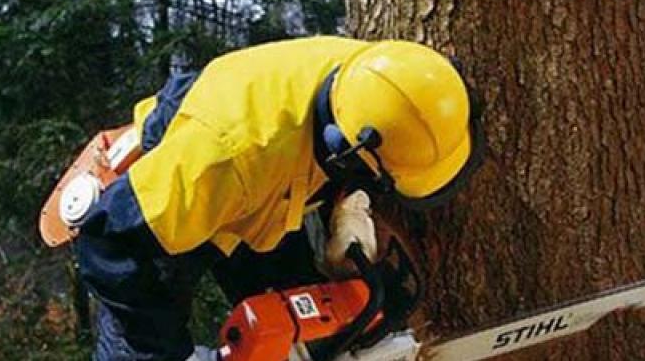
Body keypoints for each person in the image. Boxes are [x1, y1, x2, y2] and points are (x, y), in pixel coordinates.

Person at [75, 36, 483, 360]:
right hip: (176, 199)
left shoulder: (385, 79)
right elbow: (108, 243)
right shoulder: (221, 162)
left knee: (312, 324)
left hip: (275, 181)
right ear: (345, 151)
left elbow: (372, 146)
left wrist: (350, 207)